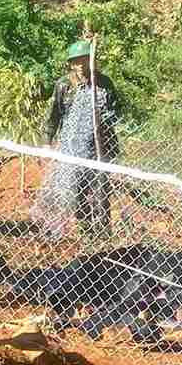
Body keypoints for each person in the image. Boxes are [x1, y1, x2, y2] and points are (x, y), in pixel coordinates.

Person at [44, 39, 120, 238]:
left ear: (91, 60)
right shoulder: (64, 85)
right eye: (75, 61)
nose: (80, 65)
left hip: (99, 148)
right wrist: (48, 139)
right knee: (77, 188)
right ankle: (86, 229)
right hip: (72, 147)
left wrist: (102, 120)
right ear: (70, 64)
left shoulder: (104, 83)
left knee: (101, 188)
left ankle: (103, 232)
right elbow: (54, 114)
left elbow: (115, 110)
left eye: (84, 60)